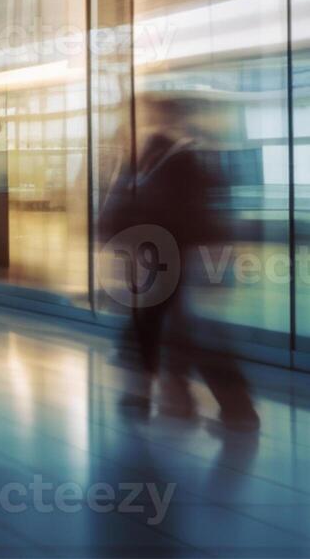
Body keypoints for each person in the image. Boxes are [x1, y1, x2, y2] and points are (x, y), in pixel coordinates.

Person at [102, 94, 257, 432]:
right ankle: (180, 402)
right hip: (164, 260)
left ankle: (232, 409)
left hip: (179, 259)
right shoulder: (153, 156)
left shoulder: (178, 157)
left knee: (179, 331)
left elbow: (179, 213)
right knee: (166, 329)